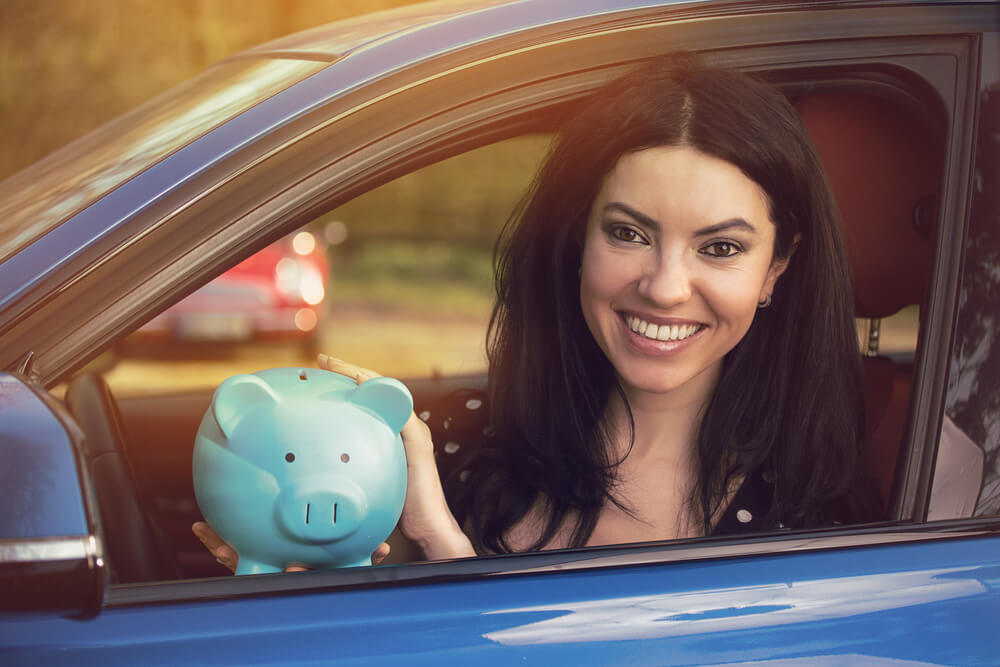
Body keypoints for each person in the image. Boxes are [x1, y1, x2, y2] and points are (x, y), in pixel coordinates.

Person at [194, 52, 880, 569]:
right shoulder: (444, 453)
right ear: (576, 238)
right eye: (628, 233)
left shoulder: (821, 523)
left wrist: (445, 548)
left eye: (721, 247)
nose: (667, 287)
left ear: (776, 269)